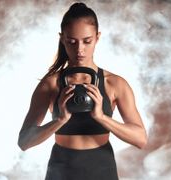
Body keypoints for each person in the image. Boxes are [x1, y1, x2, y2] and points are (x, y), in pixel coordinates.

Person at [18, 2, 147, 180]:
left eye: (87, 41)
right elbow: (24, 142)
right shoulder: (51, 84)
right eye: (72, 42)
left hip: (102, 170)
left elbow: (140, 139)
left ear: (97, 37)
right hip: (61, 171)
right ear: (62, 38)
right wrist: (60, 120)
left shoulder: (115, 84)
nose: (80, 49)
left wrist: (102, 117)